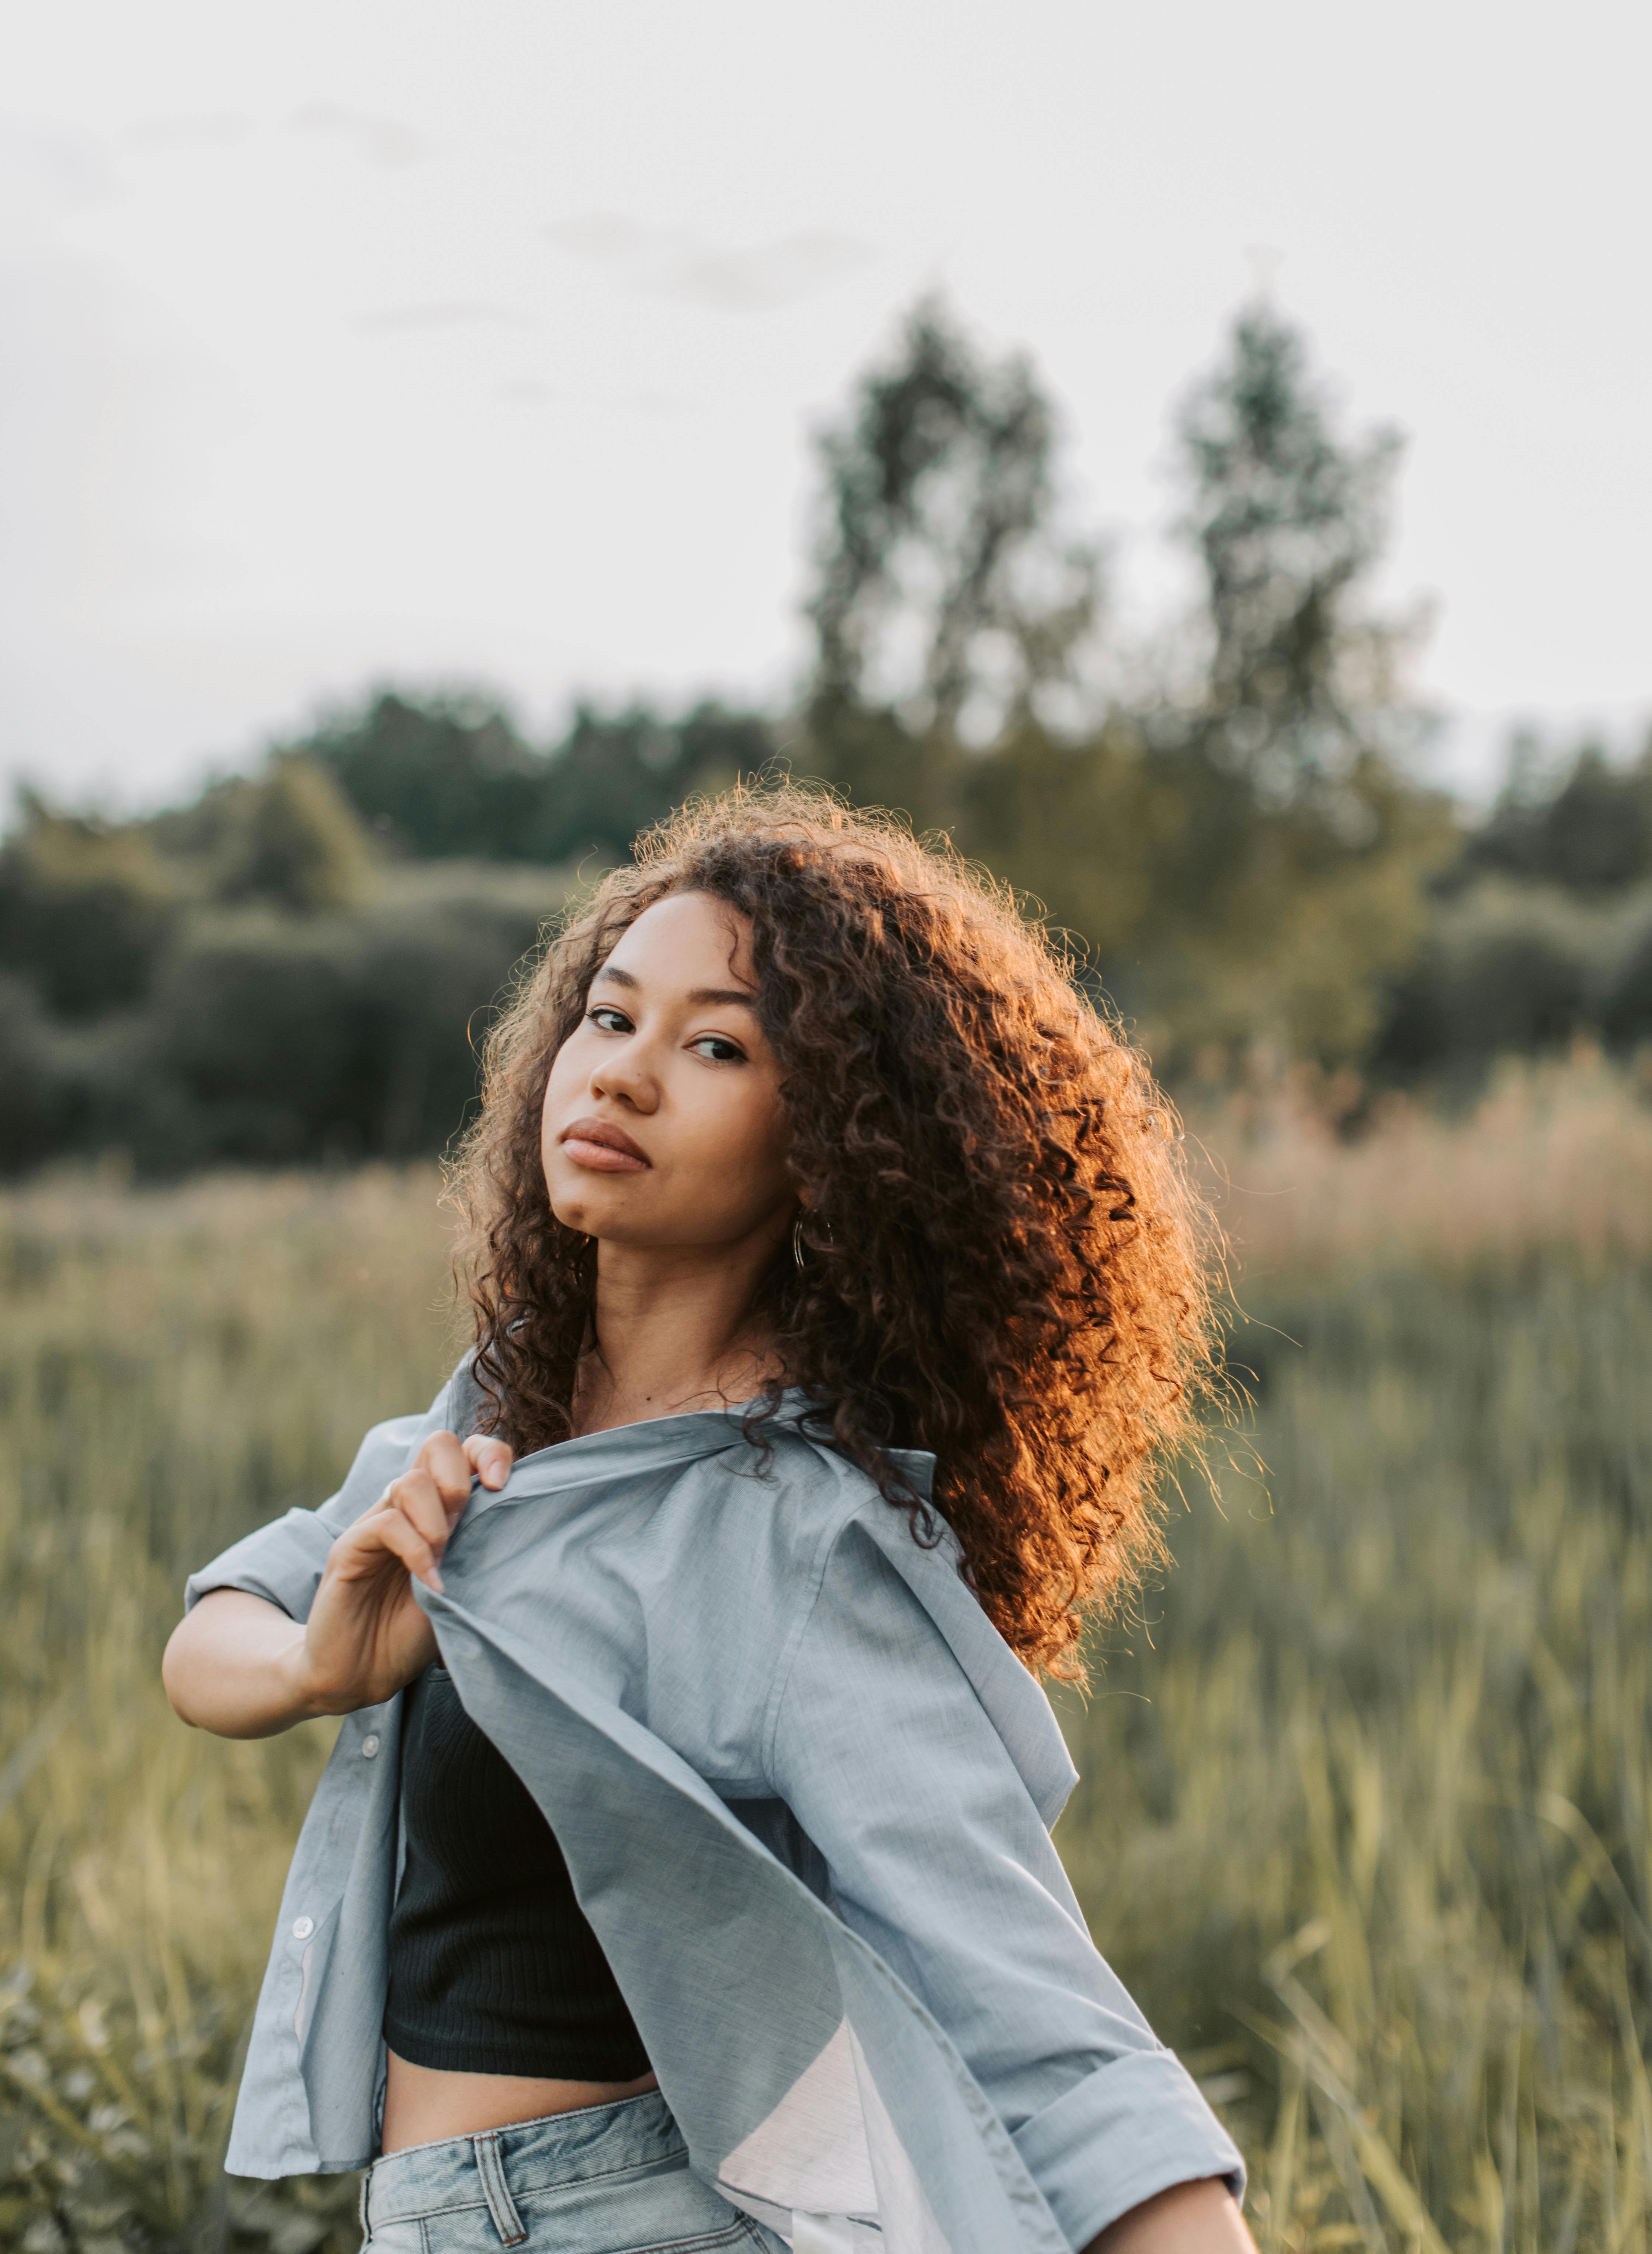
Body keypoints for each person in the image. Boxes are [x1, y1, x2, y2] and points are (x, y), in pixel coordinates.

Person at [163, 787, 1254, 2254]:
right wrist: (320, 1668)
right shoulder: (498, 1418)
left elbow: (1041, 2019)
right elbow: (216, 1626)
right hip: (428, 2217)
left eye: (717, 1046)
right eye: (610, 1020)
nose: (621, 1078)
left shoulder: (795, 1534)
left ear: (834, 1148)